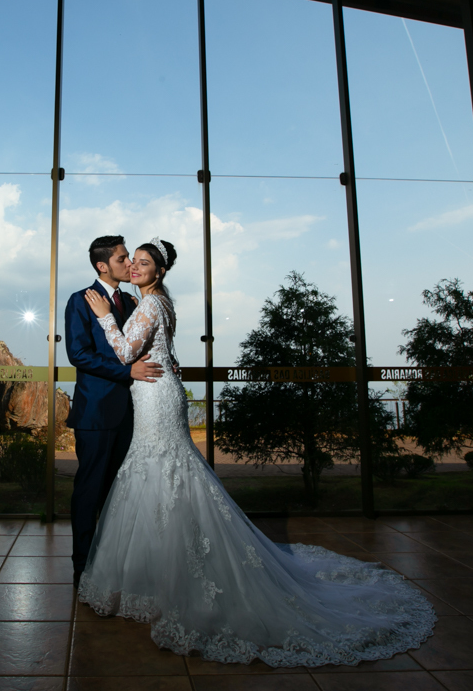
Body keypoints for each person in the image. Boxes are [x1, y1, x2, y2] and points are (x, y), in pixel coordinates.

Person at [77, 237, 436, 667]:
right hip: (159, 393)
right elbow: (163, 351)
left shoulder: (150, 303)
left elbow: (123, 352)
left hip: (155, 397)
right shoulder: (159, 302)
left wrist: (105, 318)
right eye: (132, 261)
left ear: (160, 271)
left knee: (162, 472)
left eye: (143, 262)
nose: (135, 267)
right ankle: (156, 577)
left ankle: (167, 579)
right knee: (162, 474)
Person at [65, 235, 164, 589]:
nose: (129, 264)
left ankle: (111, 564)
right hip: (95, 413)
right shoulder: (80, 300)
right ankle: (82, 568)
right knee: (89, 491)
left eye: (130, 258)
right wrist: (127, 372)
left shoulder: (133, 301)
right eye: (123, 258)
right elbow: (78, 355)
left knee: (118, 493)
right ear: (102, 265)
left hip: (132, 412)